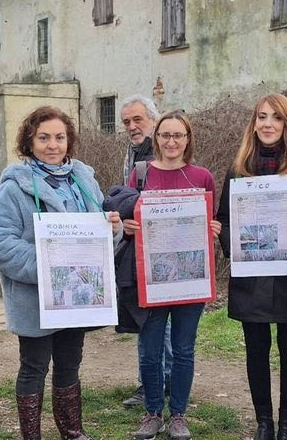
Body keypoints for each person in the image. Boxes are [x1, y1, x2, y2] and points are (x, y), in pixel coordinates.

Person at [0, 106, 122, 440]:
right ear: (30, 141)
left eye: (59, 137)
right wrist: (47, 264)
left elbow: (96, 235)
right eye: (43, 137)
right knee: (34, 367)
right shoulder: (14, 187)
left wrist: (112, 229)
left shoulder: (83, 181)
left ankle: (72, 431)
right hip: (36, 299)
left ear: (69, 141)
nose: (52, 145)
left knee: (70, 363)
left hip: (76, 297)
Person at [217, 94, 287, 440]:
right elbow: (225, 218)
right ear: (254, 123)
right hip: (252, 275)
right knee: (256, 348)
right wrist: (234, 249)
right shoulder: (238, 168)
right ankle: (263, 421)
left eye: (275, 118)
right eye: (261, 117)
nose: (267, 124)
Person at [125, 110, 222, 440]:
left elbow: (213, 222)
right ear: (157, 138)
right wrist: (127, 226)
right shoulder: (139, 175)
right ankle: (152, 412)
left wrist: (213, 228)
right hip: (152, 281)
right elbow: (127, 221)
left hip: (190, 280)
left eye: (178, 135)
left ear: (187, 139)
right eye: (165, 135)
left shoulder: (202, 176)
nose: (171, 141)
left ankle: (178, 414)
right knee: (150, 351)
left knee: (183, 350)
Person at [118, 94, 174, 409]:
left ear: (153, 119)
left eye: (138, 119)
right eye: (126, 121)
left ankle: (158, 383)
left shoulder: (160, 150)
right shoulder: (135, 153)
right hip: (141, 247)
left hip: (163, 249)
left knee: (157, 320)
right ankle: (154, 382)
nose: (132, 126)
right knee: (150, 319)